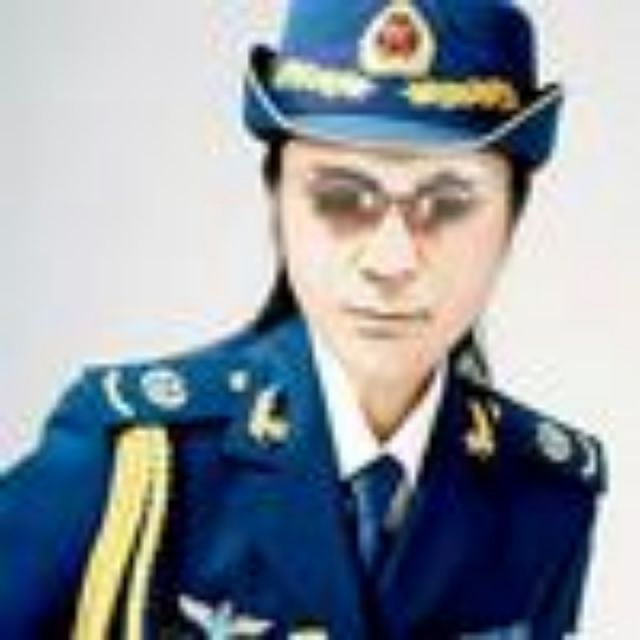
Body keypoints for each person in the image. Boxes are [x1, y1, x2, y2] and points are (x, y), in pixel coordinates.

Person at [0, 0, 606, 638]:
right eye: (342, 198)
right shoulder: (141, 459)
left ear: (512, 221)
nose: (391, 260)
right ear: (277, 203)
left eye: (449, 203)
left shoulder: (544, 497)